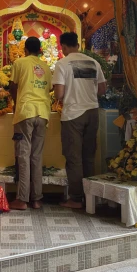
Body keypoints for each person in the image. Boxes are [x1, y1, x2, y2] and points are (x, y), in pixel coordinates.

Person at [52, 33, 106, 209]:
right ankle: (89, 196)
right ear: (77, 44)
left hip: (73, 114)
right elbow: (102, 89)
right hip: (92, 112)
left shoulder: (62, 64)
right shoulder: (93, 62)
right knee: (88, 156)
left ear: (64, 47)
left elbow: (59, 94)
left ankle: (76, 199)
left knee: (74, 157)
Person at [8, 37, 52, 210]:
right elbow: (49, 89)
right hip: (43, 113)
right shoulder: (47, 67)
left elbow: (13, 86)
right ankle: (37, 199)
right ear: (40, 50)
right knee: (36, 156)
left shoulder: (19, 63)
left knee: (23, 155)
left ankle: (22, 199)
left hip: (25, 112)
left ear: (25, 49)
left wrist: (16, 102)